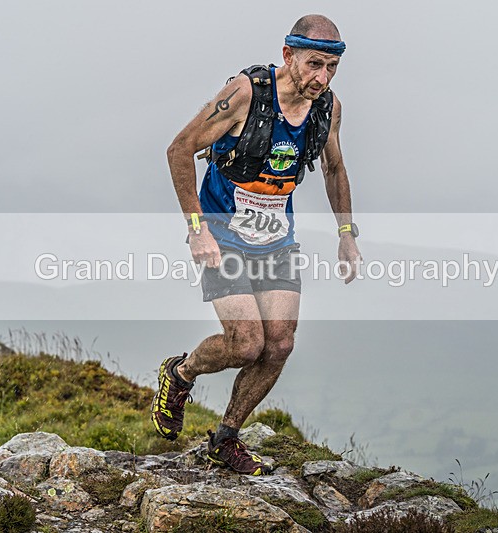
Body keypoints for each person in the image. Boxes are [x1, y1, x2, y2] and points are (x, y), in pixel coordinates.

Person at [151, 14, 360, 476]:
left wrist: (346, 235)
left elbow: (333, 168)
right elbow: (179, 149)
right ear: (288, 55)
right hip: (222, 232)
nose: (321, 78)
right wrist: (196, 228)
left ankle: (225, 438)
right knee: (246, 344)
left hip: (275, 238)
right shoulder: (246, 94)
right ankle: (180, 375)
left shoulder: (328, 107)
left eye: (331, 67)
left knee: (279, 343)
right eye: (313, 64)